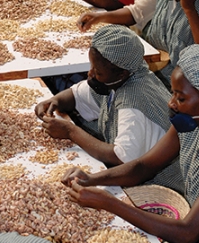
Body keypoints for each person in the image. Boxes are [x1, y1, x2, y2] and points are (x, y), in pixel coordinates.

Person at [61, 44, 199, 243]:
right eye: (173, 93)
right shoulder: (186, 122)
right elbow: (143, 166)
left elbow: (188, 232)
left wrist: (110, 203)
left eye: (181, 97)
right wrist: (91, 179)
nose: (171, 102)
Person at [35, 24, 172, 168]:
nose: (90, 74)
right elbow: (76, 96)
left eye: (98, 72)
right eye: (91, 67)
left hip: (154, 182)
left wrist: (71, 131)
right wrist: (54, 101)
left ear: (122, 73)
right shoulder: (120, 77)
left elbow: (120, 158)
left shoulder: (133, 104)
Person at [77, 0, 199, 89]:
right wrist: (99, 17)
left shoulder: (191, 8)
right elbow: (138, 12)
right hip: (148, 75)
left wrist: (189, 9)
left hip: (178, 88)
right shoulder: (166, 3)